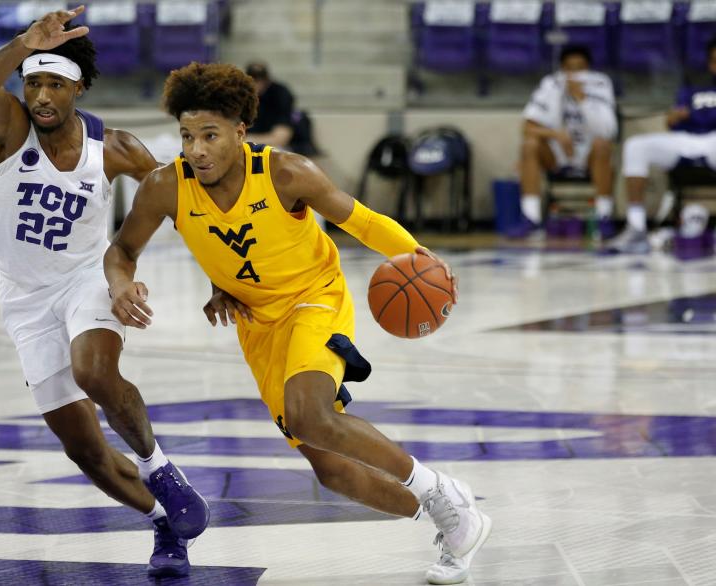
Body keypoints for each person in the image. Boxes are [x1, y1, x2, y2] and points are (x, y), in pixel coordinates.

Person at [104, 62, 492, 585]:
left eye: (210, 136)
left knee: (309, 414)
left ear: (241, 132)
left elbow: (362, 221)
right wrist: (121, 283)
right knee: (330, 470)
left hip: (315, 298)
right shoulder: (165, 186)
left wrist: (423, 258)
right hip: (256, 325)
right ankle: (452, 520)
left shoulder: (286, 172)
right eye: (187, 135)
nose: (196, 149)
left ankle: (438, 491)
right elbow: (123, 249)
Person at [0, 9, 210, 578]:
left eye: (55, 83)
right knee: (84, 450)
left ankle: (158, 466)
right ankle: (164, 524)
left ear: (79, 87)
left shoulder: (115, 147)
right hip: (23, 299)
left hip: (86, 280)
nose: (42, 95)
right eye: (33, 82)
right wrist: (25, 42)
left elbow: (183, 207)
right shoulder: (5, 126)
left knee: (94, 372)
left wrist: (224, 278)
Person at [608, 39, 716, 253]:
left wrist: (695, 114)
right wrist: (674, 117)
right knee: (636, 146)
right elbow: (672, 121)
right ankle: (636, 227)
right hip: (688, 138)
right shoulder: (693, 88)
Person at [512, 45, 617, 239]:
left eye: (580, 68)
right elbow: (527, 127)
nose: (575, 73)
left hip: (589, 153)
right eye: (570, 68)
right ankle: (531, 218)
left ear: (589, 68)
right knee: (529, 145)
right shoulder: (551, 84)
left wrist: (581, 99)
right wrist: (556, 134)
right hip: (557, 153)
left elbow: (608, 131)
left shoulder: (601, 83)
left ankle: (603, 217)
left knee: (603, 145)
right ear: (562, 68)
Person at [245, 61, 295, 149]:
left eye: (259, 80)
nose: (256, 84)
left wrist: (247, 139)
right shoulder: (242, 94)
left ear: (267, 80)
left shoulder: (280, 94)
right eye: (252, 80)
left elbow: (281, 138)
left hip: (273, 147)